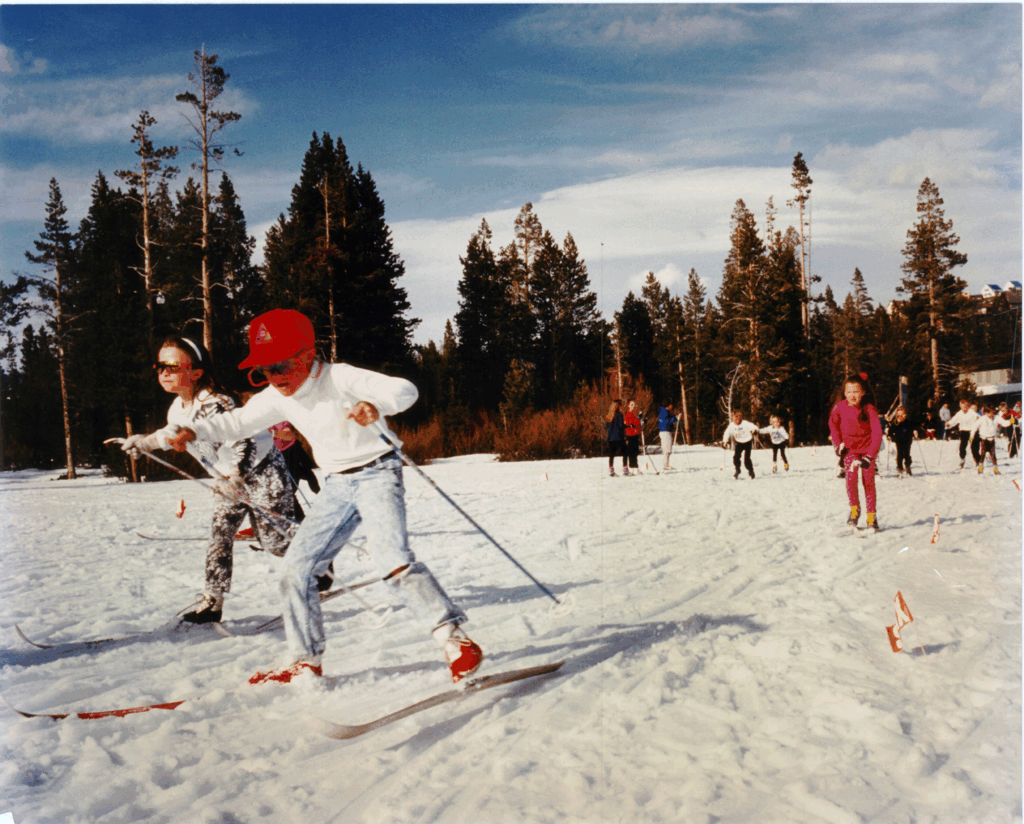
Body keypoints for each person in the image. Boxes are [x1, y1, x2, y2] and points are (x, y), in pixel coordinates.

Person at [160, 309, 482, 684]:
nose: (274, 377)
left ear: (306, 355)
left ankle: (455, 640)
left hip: (377, 472)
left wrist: (378, 406)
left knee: (392, 561)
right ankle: (305, 660)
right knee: (296, 571)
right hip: (338, 484)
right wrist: (192, 431)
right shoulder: (276, 397)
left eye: (279, 365)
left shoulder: (341, 377)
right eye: (263, 370)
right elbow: (235, 422)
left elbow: (404, 389)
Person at [115, 335, 298, 623]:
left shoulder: (218, 402)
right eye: (159, 366)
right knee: (219, 535)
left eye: (172, 366)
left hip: (261, 469)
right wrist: (145, 442)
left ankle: (320, 557)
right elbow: (170, 434)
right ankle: (212, 602)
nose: (163, 372)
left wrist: (236, 475)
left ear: (197, 372)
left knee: (275, 542)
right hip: (227, 480)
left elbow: (245, 440)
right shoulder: (178, 407)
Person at [828, 373, 883, 530]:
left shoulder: (869, 409)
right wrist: (838, 445)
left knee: (868, 482)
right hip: (850, 450)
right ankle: (854, 509)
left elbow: (877, 433)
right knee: (850, 480)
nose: (852, 395)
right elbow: (833, 425)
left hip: (867, 451)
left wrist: (870, 455)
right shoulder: (840, 407)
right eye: (849, 391)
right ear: (845, 393)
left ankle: (871, 516)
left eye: (856, 391)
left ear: (863, 392)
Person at [971, 406, 1012, 474]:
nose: (991, 414)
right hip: (984, 438)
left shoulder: (997, 417)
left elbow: (1004, 423)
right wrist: (972, 435)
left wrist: (1010, 421)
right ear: (986, 413)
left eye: (992, 412)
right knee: (983, 453)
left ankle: (995, 469)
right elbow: (975, 426)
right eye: (989, 413)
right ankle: (981, 467)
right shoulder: (982, 419)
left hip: (991, 439)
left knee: (993, 454)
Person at [723, 410, 759, 479]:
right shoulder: (731, 425)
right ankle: (737, 470)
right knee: (736, 457)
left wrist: (754, 430)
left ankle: (751, 471)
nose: (736, 421)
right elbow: (727, 433)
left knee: (747, 459)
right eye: (734, 419)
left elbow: (755, 427)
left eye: (737, 419)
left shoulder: (745, 423)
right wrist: (724, 442)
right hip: (739, 442)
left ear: (740, 418)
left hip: (747, 441)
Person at [946, 399, 981, 469]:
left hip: (972, 431)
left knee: (974, 448)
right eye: (962, 407)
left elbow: (979, 419)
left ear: (967, 406)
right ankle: (962, 460)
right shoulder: (959, 414)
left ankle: (978, 460)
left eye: (965, 406)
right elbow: (954, 420)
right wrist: (948, 424)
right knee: (962, 447)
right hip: (964, 431)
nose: (964, 408)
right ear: (960, 406)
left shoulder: (972, 413)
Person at [886, 405, 917, 477]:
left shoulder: (908, 422)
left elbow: (914, 427)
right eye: (898, 416)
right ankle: (899, 467)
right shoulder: (895, 423)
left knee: (906, 454)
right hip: (898, 440)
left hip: (907, 440)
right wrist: (889, 435)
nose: (900, 417)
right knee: (900, 454)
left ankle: (908, 465)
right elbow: (891, 430)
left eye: (902, 415)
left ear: (905, 415)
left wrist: (915, 432)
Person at [605, 399, 628, 476]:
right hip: (619, 437)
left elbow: (607, 426)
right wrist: (626, 425)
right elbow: (621, 426)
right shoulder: (619, 415)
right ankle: (625, 469)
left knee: (612, 454)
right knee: (624, 452)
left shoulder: (609, 415)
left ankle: (611, 469)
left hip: (611, 437)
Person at [623, 400, 642, 475]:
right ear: (628, 405)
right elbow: (633, 423)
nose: (633, 406)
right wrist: (639, 419)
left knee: (635, 451)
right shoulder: (628, 414)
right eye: (632, 404)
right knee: (632, 452)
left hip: (634, 434)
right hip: (631, 435)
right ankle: (632, 468)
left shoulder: (632, 414)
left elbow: (637, 424)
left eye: (634, 404)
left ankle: (634, 467)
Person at [657, 402, 678, 471]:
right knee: (667, 450)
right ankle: (665, 465)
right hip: (665, 432)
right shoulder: (664, 412)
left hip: (666, 431)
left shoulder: (665, 412)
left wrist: (675, 417)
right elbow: (666, 422)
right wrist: (675, 418)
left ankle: (666, 464)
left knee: (668, 449)